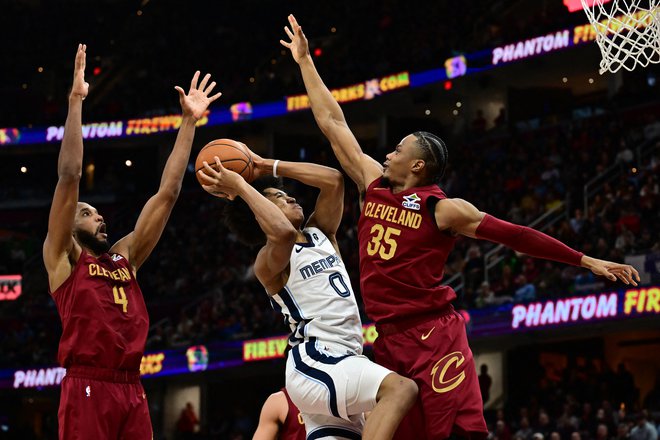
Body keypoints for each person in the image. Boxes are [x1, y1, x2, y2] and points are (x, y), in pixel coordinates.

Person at [280, 14, 641, 440]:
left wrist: (584, 259)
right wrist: (305, 63)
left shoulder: (444, 209)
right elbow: (333, 122)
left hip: (434, 336)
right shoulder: (371, 183)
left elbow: (517, 236)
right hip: (388, 340)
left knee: (457, 434)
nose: (388, 153)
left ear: (417, 165)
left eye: (398, 149)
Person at [43, 44, 221, 439]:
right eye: (87, 213)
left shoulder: (125, 258)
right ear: (69, 225)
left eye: (98, 212)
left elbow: (168, 193)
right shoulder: (64, 258)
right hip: (88, 384)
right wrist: (76, 101)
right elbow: (70, 174)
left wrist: (189, 123)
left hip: (132, 386)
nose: (99, 216)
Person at [198, 153, 417, 439]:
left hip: (347, 359)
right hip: (315, 360)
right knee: (402, 389)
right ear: (260, 211)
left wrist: (265, 164)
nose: (290, 198)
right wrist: (241, 186)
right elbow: (282, 233)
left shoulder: (321, 233)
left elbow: (333, 180)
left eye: (286, 194)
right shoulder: (268, 260)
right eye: (278, 197)